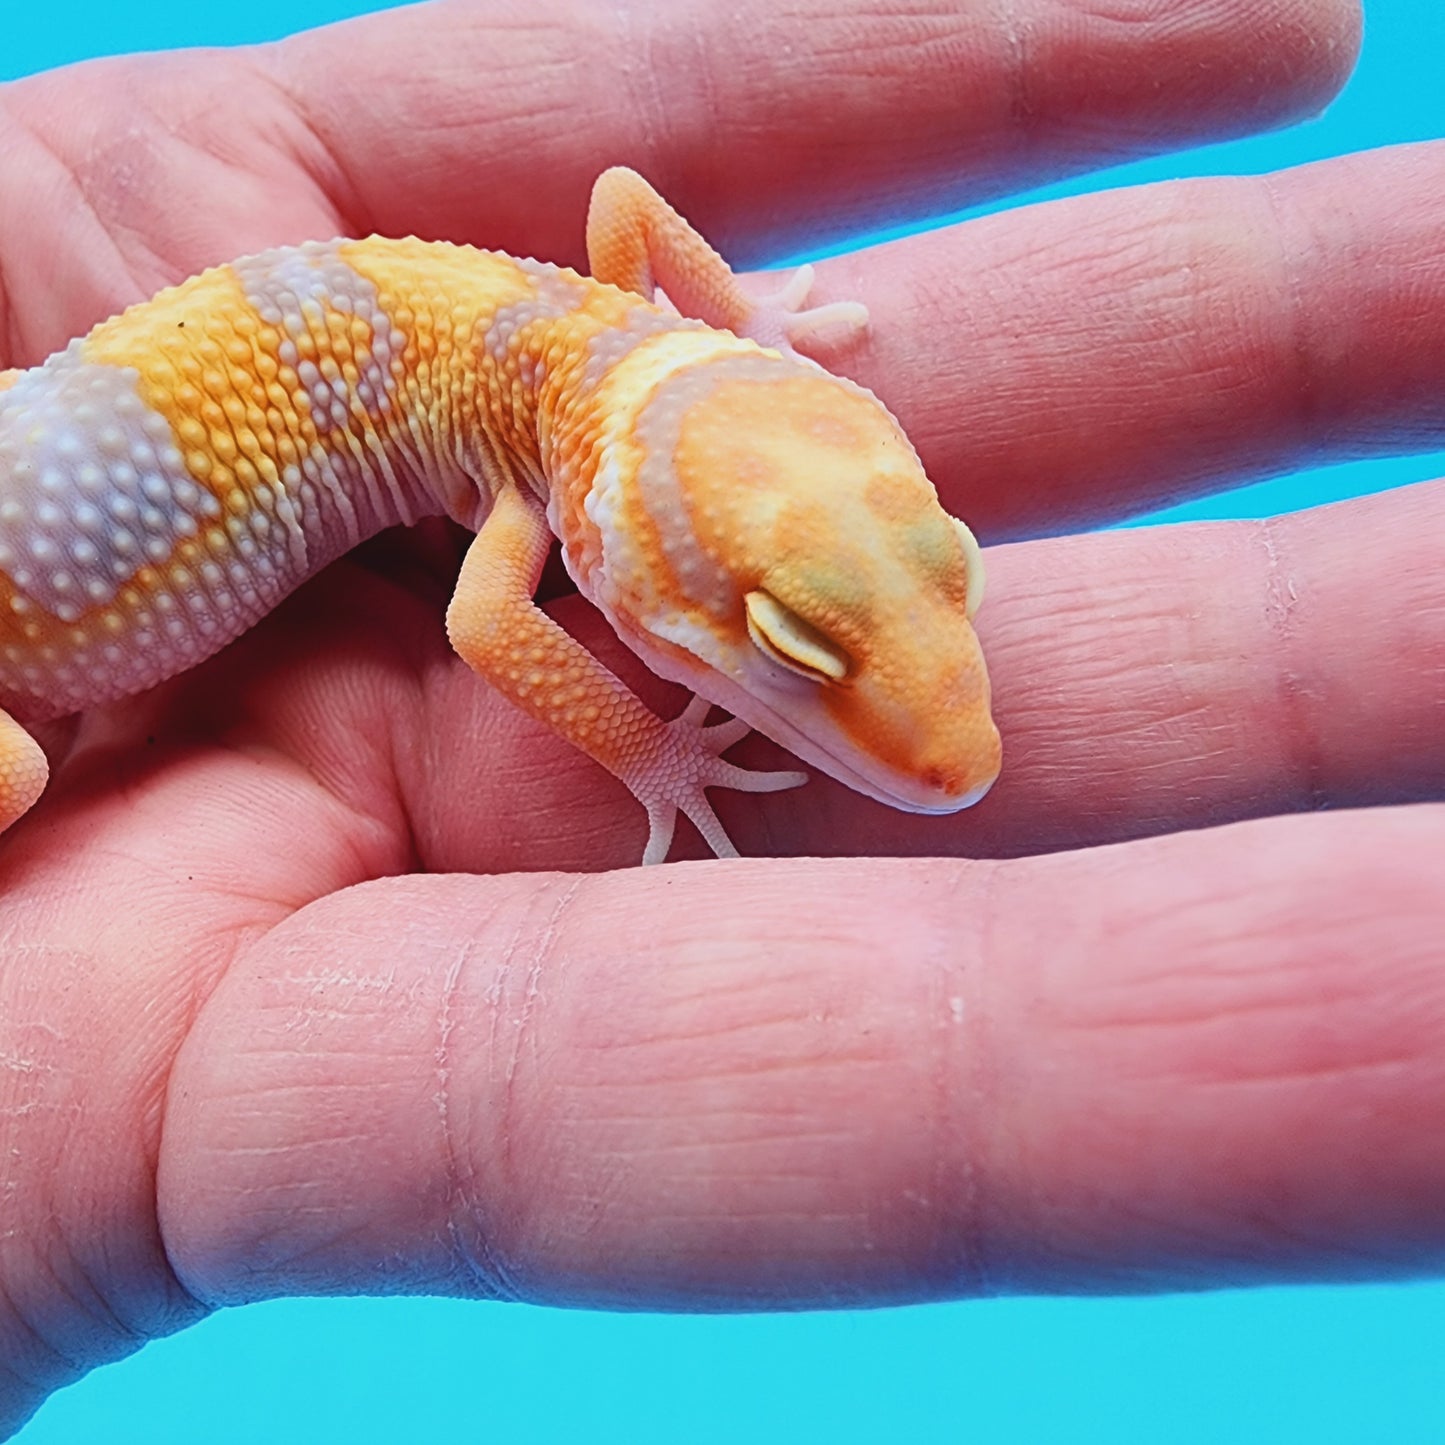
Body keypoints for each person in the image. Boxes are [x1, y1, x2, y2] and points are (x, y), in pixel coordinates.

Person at [2, 0, 1440, 1432]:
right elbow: (487, 615)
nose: (926, 725)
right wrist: (653, 744)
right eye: (794, 649)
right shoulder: (568, 416)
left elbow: (622, 207)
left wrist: (740, 335)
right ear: (606, 531)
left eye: (938, 572)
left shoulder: (575, 376)